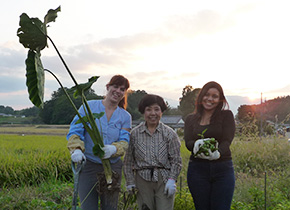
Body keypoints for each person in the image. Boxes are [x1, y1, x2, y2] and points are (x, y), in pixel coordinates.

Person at [66, 75, 131, 210]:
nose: (118, 91)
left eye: (122, 89)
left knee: (110, 207)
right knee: (88, 207)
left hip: (112, 168)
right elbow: (75, 130)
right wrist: (76, 149)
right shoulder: (89, 106)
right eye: (115, 86)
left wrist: (114, 149)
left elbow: (125, 140)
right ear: (108, 87)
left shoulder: (125, 116)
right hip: (89, 165)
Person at [124, 94, 182, 210]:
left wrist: (172, 180)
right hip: (142, 179)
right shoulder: (134, 134)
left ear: (161, 112)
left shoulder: (170, 134)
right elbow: (128, 161)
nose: (153, 113)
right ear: (143, 112)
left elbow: (176, 160)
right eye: (148, 109)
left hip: (163, 179)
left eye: (156, 109)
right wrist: (130, 182)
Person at [184, 81, 236, 210]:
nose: (210, 99)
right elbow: (188, 142)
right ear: (201, 96)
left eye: (215, 96)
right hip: (197, 170)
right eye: (207, 95)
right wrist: (197, 145)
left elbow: (227, 140)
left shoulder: (226, 115)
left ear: (220, 100)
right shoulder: (190, 119)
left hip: (222, 169)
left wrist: (217, 153)